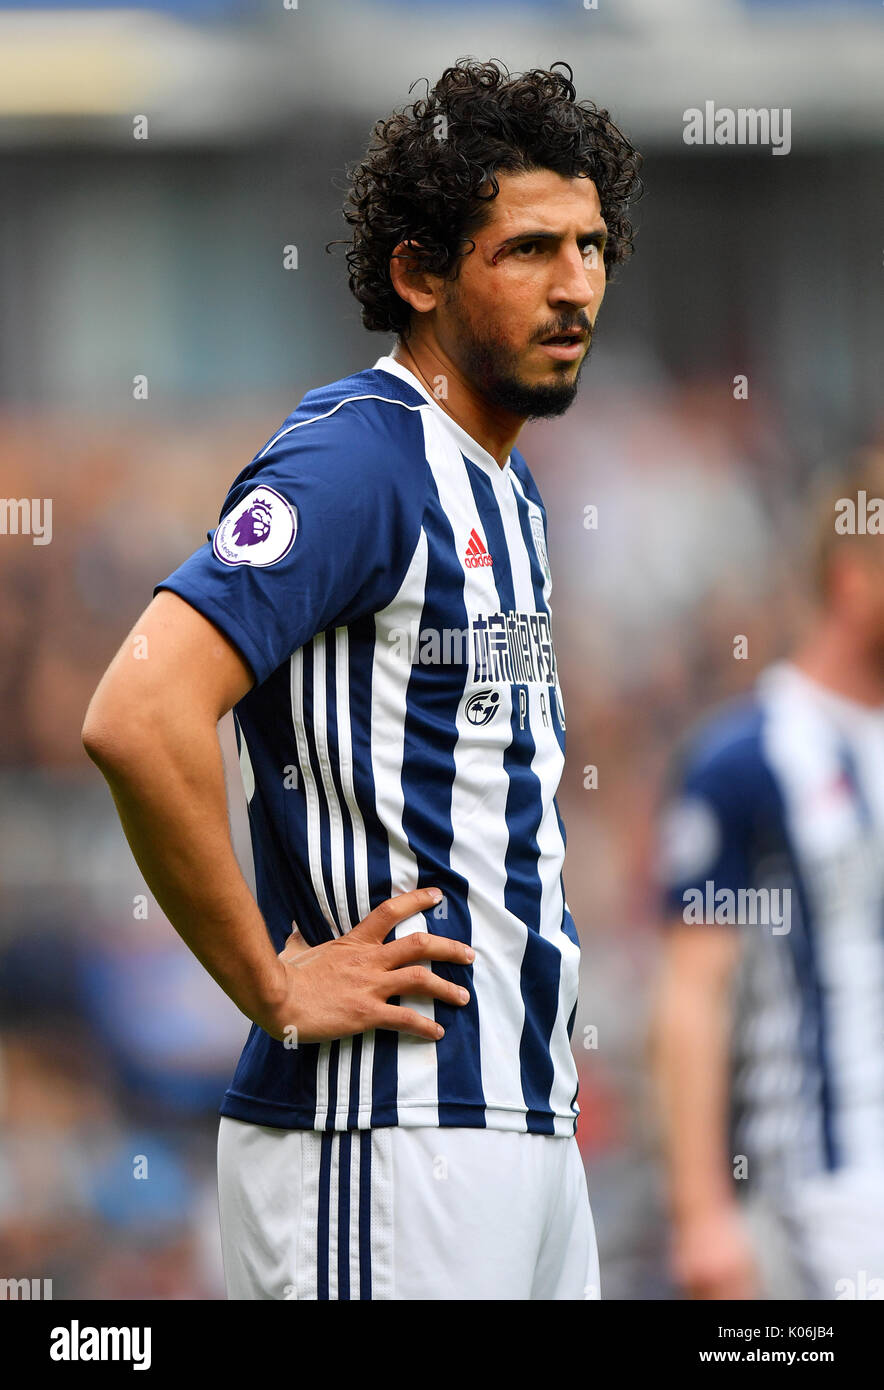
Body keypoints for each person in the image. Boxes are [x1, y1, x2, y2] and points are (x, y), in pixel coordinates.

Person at [82, 58, 642, 1301]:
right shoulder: (356, 465)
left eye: (592, 246)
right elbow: (136, 713)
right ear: (418, 273)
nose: (575, 287)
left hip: (525, 1127)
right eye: (529, 250)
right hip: (384, 1136)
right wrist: (272, 984)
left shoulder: (508, 488)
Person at [651, 454, 884, 1300]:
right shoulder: (746, 760)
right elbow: (691, 995)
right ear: (855, 576)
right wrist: (702, 1212)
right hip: (820, 1197)